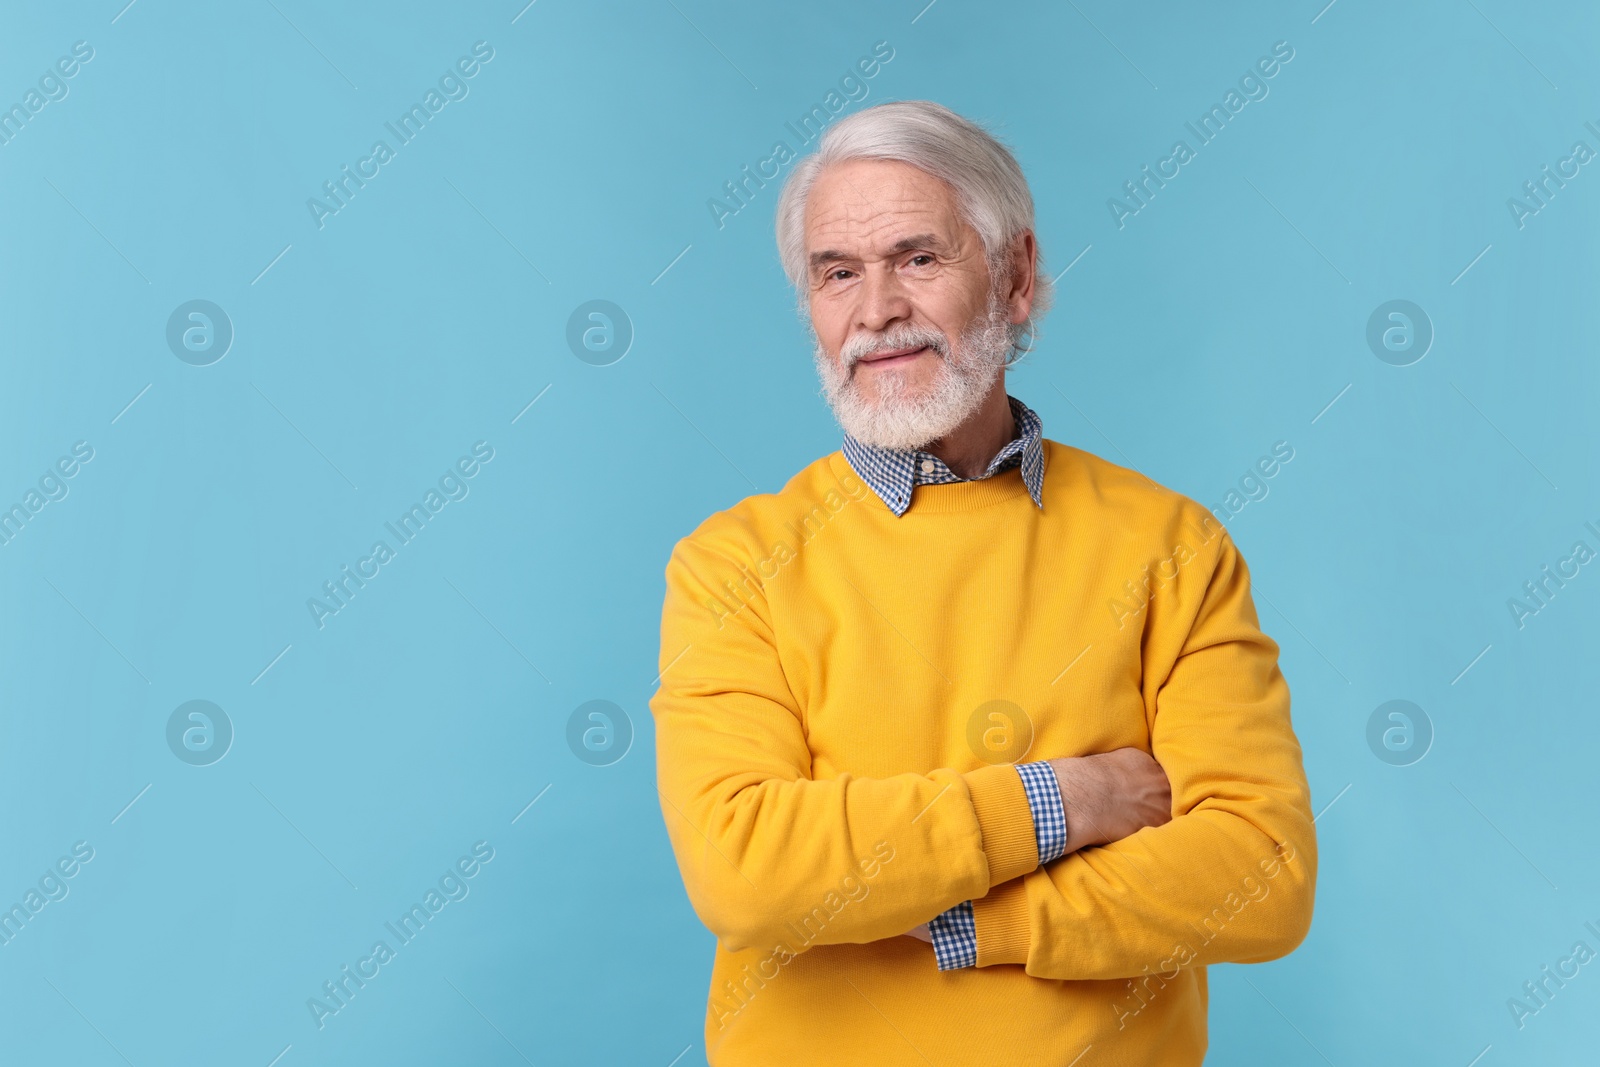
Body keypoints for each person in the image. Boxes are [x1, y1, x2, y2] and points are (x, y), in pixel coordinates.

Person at [649, 99, 1316, 1066]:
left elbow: (1264, 870)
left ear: (1015, 277)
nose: (876, 311)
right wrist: (1068, 801)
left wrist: (967, 920)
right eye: (838, 273)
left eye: (918, 258)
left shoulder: (1172, 544)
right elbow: (747, 869)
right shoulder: (734, 565)